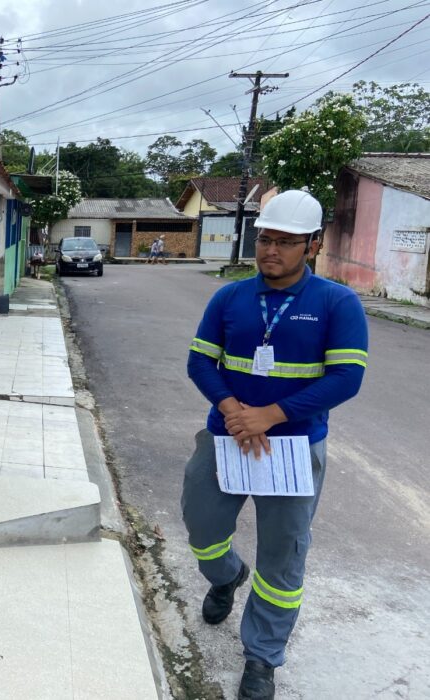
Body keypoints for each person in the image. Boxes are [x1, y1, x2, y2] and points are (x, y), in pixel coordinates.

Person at [182, 189, 368, 700]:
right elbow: (200, 361)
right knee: (202, 527)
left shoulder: (336, 303)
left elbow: (347, 378)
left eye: (286, 242)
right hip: (226, 439)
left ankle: (261, 657)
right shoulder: (230, 297)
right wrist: (232, 411)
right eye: (266, 238)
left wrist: (271, 414)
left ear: (312, 245)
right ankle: (225, 576)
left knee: (282, 558)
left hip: (293, 449)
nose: (271, 250)